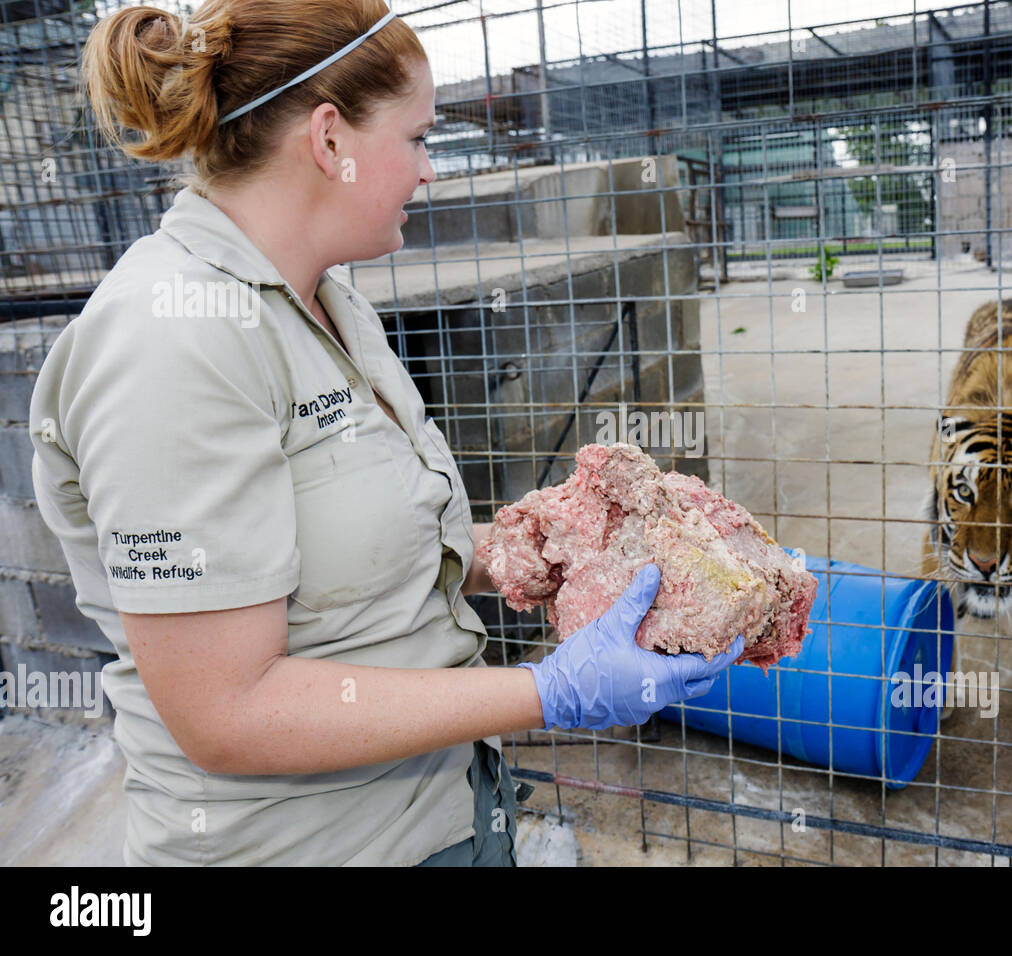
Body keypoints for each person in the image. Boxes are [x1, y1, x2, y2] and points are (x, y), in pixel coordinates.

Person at [29, 0, 743, 867]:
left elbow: (356, 550)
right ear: (331, 141)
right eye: (417, 138)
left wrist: (529, 550)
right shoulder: (170, 342)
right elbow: (228, 714)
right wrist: (548, 691)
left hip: (446, 809)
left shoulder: (331, 301)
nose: (431, 170)